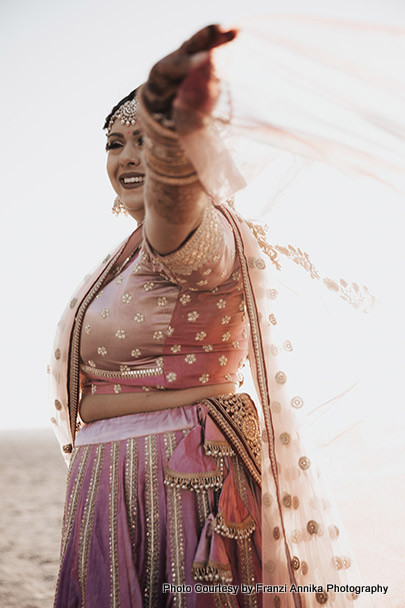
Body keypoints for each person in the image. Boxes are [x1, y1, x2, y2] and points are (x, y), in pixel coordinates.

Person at [50, 21, 404, 608]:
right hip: (112, 487)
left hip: (181, 482)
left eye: (153, 140)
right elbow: (87, 399)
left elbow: (174, 213)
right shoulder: (118, 261)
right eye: (117, 143)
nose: (131, 158)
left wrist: (173, 141)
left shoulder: (202, 234)